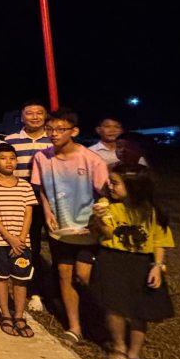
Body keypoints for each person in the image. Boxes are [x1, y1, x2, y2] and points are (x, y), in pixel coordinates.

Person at [31, 108, 109, 344]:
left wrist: (101, 212)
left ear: (74, 131)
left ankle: (98, 317)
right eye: (50, 129)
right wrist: (47, 211)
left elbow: (105, 193)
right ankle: (74, 327)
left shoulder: (91, 159)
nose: (54, 134)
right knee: (64, 273)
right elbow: (42, 189)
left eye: (60, 129)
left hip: (87, 229)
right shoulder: (42, 157)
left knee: (83, 275)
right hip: (60, 228)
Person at [90, 164, 174, 359]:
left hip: (142, 263)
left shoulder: (152, 211)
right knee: (114, 306)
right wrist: (100, 218)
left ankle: (135, 353)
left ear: (134, 186)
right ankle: (118, 346)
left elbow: (160, 241)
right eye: (110, 182)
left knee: (140, 310)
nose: (110, 186)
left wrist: (157, 266)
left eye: (115, 183)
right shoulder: (109, 207)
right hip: (112, 259)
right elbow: (108, 234)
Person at [0, 144, 38, 338]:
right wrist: (9, 238)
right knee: (1, 278)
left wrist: (20, 239)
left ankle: (19, 316)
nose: (9, 162)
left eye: (12, 158)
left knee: (21, 280)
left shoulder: (25, 186)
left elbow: (29, 214)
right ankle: (5, 314)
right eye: (3, 158)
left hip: (22, 243)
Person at [4, 100, 53, 312]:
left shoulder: (53, 140)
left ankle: (55, 291)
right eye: (29, 113)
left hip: (51, 201)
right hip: (22, 201)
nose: (34, 117)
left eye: (39, 113)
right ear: (22, 117)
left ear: (45, 116)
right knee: (30, 246)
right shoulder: (11, 140)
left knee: (56, 248)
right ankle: (33, 291)